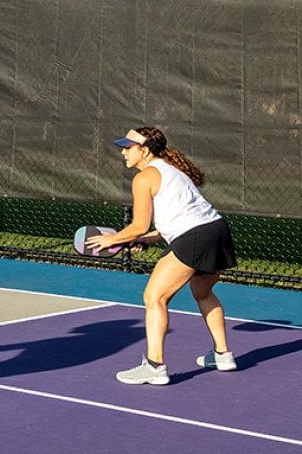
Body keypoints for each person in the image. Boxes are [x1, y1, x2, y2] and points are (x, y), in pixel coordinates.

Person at [87, 127, 238, 385]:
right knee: (203, 292)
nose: (123, 152)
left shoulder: (145, 177)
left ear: (143, 150)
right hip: (218, 232)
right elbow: (181, 216)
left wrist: (111, 239)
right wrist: (147, 240)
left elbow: (138, 225)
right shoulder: (173, 171)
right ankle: (223, 355)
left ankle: (155, 366)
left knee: (154, 296)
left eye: (128, 147)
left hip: (196, 237)